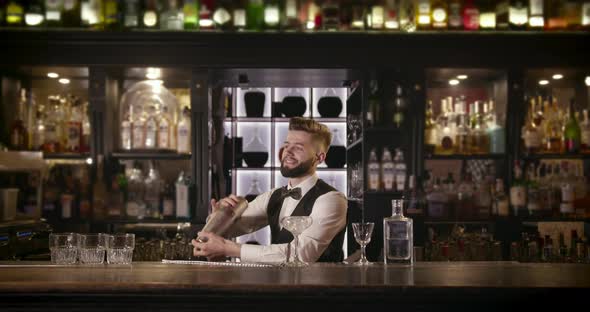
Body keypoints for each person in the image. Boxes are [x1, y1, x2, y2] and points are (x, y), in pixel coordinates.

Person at [192, 117, 347, 263]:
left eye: (298, 148)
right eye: (287, 145)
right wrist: (220, 216)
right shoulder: (274, 196)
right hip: (278, 286)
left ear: (319, 157)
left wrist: (229, 249)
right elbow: (229, 229)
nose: (288, 152)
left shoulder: (332, 200)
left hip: (322, 289)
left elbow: (301, 254)